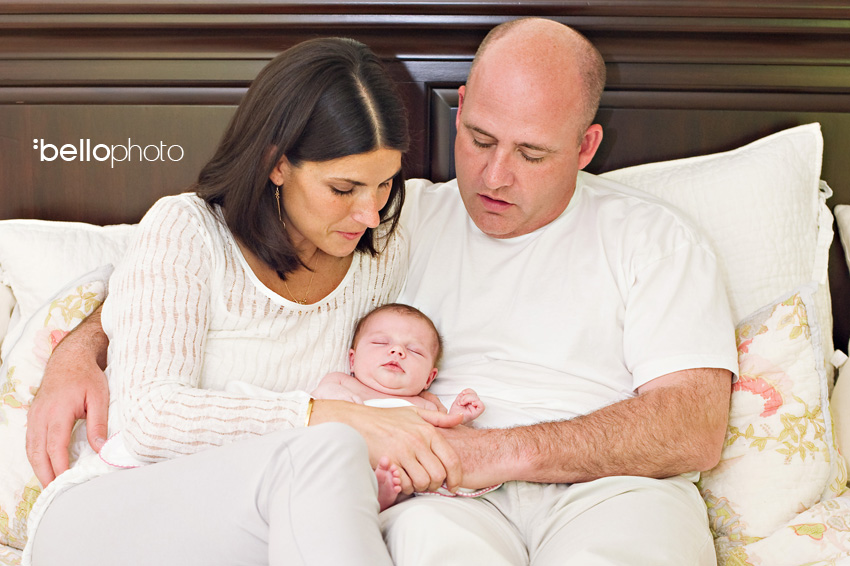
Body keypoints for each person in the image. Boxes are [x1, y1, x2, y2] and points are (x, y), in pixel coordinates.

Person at [28, 18, 739, 566]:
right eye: (482, 138)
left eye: (531, 154)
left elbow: (694, 425)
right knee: (357, 479)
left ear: (585, 148)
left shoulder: (648, 239)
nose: (494, 177)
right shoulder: (397, 220)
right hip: (420, 493)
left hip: (590, 489)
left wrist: (491, 453)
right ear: (459, 111)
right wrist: (82, 348)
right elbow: (180, 267)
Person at [22, 37, 464, 566]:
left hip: (255, 521)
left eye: (386, 184)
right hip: (106, 513)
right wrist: (328, 418)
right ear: (277, 164)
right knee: (332, 450)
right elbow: (147, 418)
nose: (370, 213)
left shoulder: (380, 251)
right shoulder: (186, 230)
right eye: (344, 189)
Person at [312, 302, 484, 423]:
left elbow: (445, 434)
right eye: (381, 342)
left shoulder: (426, 405)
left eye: (414, 350)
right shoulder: (341, 382)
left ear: (429, 379)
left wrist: (459, 417)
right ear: (352, 360)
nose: (397, 351)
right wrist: (333, 394)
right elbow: (319, 395)